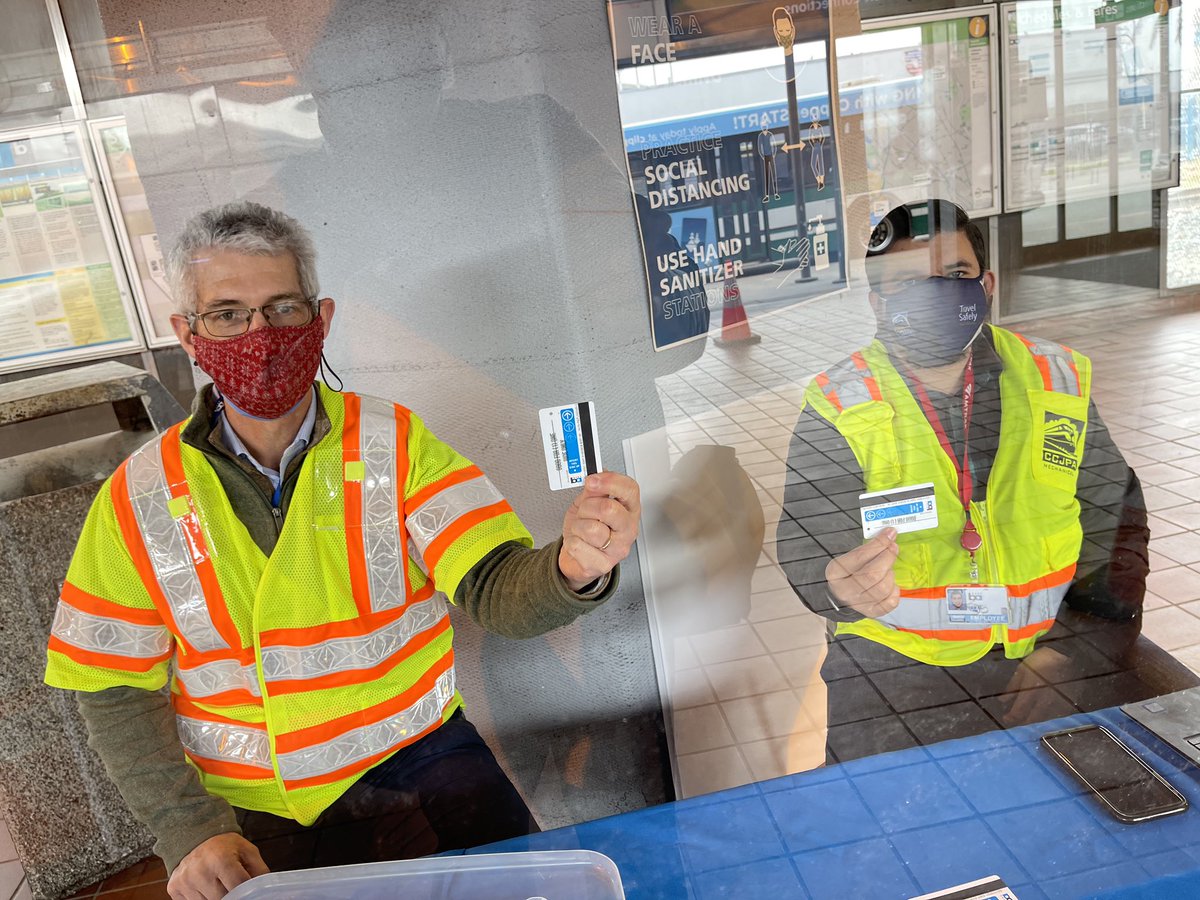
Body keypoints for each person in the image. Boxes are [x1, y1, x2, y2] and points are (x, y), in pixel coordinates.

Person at [44, 201, 642, 899]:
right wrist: (187, 829)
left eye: (282, 309)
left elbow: (493, 587)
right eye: (228, 314)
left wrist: (574, 566)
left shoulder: (395, 442)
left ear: (320, 319)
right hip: (251, 811)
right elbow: (110, 686)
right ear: (187, 333)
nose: (259, 336)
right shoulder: (137, 495)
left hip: (423, 758)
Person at [778, 199, 1195, 760]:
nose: (935, 294)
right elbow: (806, 544)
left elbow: (1116, 524)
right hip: (899, 674)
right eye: (906, 283)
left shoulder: (1054, 379)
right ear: (877, 302)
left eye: (954, 275)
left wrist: (1075, 653)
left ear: (987, 283)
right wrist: (834, 586)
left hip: (1056, 649)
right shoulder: (841, 403)